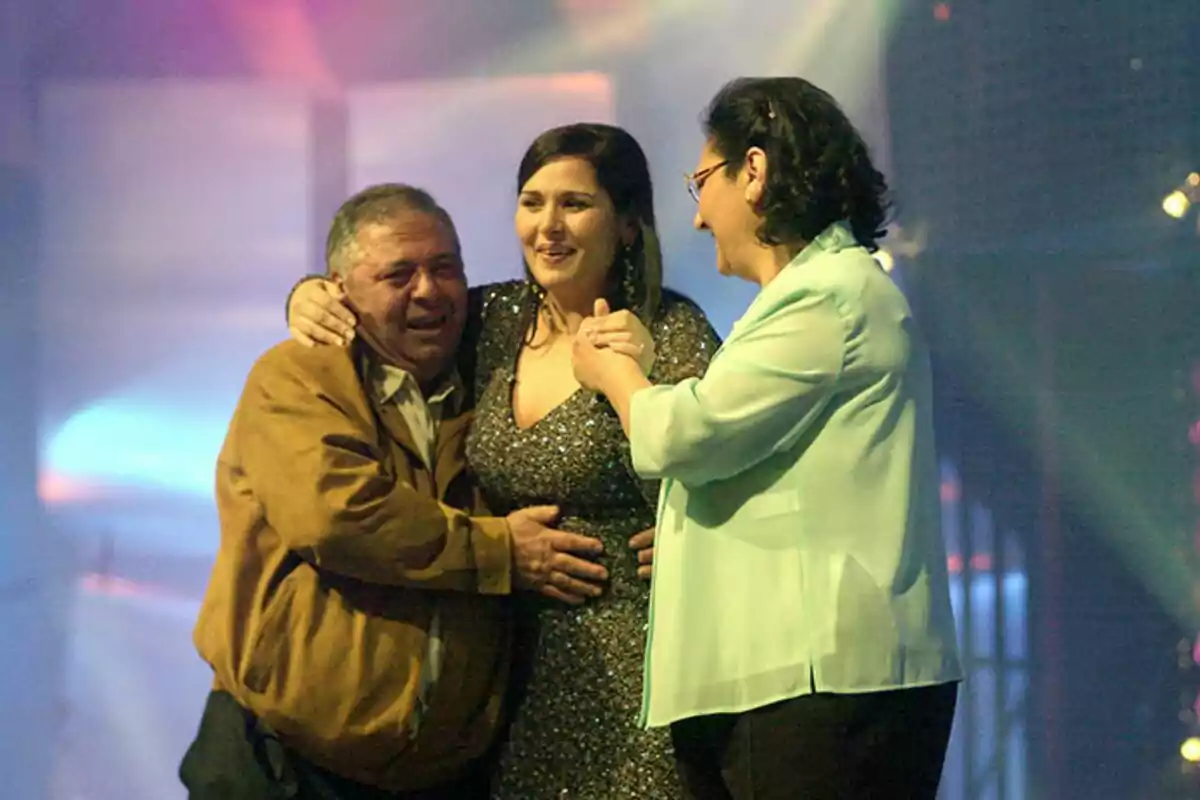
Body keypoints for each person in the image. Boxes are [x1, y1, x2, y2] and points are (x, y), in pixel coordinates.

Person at [286, 123, 721, 798]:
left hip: (641, 672)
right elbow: (389, 304)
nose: (548, 226)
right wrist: (310, 293)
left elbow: (738, 467)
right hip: (503, 677)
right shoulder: (491, 321)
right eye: (532, 202)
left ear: (629, 224)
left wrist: (705, 539)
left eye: (575, 204)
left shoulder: (670, 331)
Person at [572, 77, 964, 799]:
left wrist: (615, 372)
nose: (698, 219)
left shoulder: (829, 295)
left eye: (701, 184)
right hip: (798, 678)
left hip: (819, 682)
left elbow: (688, 435)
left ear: (752, 170)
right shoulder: (817, 298)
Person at [180, 183, 612, 800]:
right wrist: (500, 553)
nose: (429, 290)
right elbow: (337, 516)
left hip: (435, 777)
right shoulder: (296, 376)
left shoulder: (491, 380)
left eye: (445, 268)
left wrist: (678, 529)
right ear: (339, 291)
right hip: (279, 762)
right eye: (398, 274)